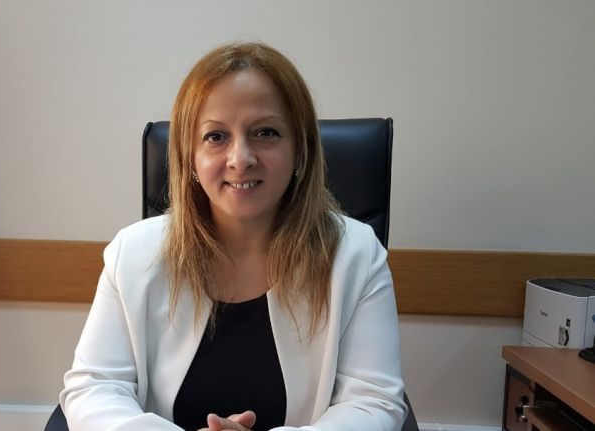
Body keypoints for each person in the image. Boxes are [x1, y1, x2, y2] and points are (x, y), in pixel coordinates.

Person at [60, 42, 406, 431]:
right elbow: (94, 387)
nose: (241, 158)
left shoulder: (356, 256)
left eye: (266, 132)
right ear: (189, 155)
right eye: (215, 136)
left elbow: (373, 402)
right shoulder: (133, 254)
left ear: (301, 149)